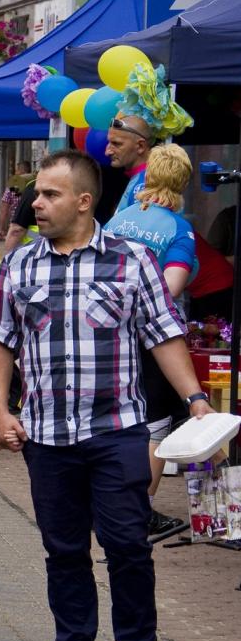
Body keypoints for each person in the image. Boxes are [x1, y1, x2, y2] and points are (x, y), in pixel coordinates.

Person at [0, 148, 212, 641]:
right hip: (47, 435)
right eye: (37, 194)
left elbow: (164, 336)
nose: (35, 203)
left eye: (49, 195)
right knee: (64, 551)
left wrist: (197, 400)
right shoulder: (20, 265)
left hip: (118, 430)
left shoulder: (133, 261)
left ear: (84, 202)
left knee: (128, 545)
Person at [103, 144, 202, 535]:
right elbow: (171, 287)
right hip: (151, 340)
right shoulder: (178, 229)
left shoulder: (116, 221)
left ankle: (107, 506)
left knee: (117, 420)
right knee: (155, 424)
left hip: (107, 335)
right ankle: (138, 513)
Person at [104, 115, 155, 215]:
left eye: (116, 144)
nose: (107, 152)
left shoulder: (146, 184)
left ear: (140, 146)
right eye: (109, 142)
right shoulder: (144, 178)